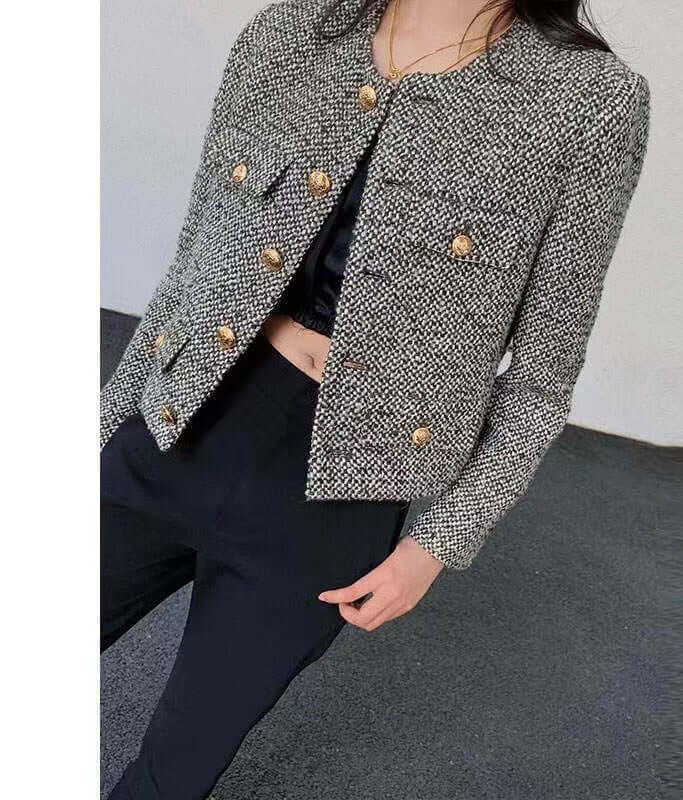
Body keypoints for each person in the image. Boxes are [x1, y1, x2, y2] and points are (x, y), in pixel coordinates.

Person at [100, 0, 651, 796]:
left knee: (172, 773)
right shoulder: (291, 32)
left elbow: (540, 382)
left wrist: (436, 546)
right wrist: (102, 424)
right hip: (174, 430)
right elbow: (194, 260)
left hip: (328, 508)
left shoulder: (591, 101)